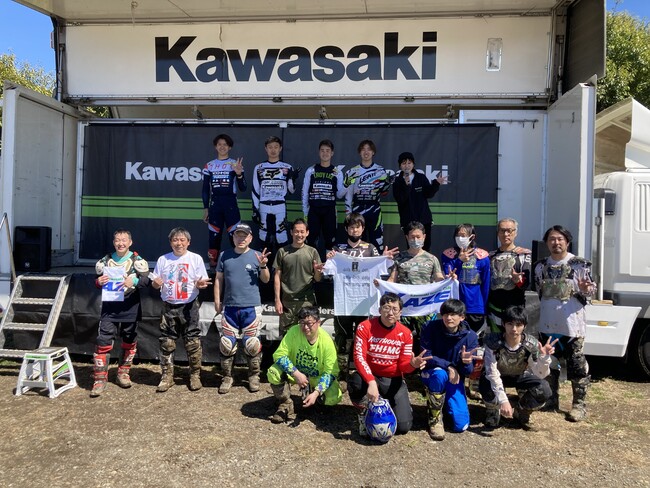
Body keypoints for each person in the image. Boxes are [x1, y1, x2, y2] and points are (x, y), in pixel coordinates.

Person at [324, 212, 397, 386]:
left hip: (365, 303)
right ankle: (341, 375)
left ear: (363, 229)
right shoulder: (338, 250)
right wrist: (328, 260)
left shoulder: (371, 248)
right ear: (346, 229)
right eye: (351, 227)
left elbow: (384, 271)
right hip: (344, 303)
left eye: (358, 227)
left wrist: (384, 259)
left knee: (363, 339)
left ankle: (362, 372)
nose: (354, 230)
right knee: (342, 338)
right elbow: (327, 273)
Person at [534, 225, 596, 422]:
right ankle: (551, 400)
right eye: (552, 239)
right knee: (550, 364)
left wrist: (585, 289)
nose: (556, 243)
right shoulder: (540, 266)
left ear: (567, 241)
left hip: (572, 326)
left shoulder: (580, 265)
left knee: (577, 366)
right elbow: (539, 291)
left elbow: (590, 292)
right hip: (547, 325)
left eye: (560, 239)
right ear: (546, 243)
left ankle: (579, 405)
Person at [348, 292, 430, 437]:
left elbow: (404, 366)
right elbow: (359, 357)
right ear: (379, 310)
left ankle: (386, 403)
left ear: (400, 313)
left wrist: (413, 364)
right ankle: (364, 413)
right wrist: (371, 381)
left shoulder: (405, 333)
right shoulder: (365, 327)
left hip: (392, 379)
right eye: (386, 308)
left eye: (394, 309)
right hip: (370, 376)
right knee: (356, 382)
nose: (390, 313)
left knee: (403, 427)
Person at [152, 227, 212, 392]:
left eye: (182, 240)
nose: (179, 243)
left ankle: (195, 375)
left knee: (192, 342)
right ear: (170, 242)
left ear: (188, 242)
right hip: (168, 306)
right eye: (175, 240)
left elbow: (202, 281)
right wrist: (155, 283)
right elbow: (155, 283)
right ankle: (167, 376)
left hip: (189, 305)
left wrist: (200, 284)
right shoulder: (163, 260)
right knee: (167, 342)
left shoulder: (195, 258)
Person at [91, 229, 150, 397]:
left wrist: (135, 280)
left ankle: (123, 373)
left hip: (130, 307)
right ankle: (99, 379)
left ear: (130, 242)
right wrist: (98, 282)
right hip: (109, 307)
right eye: (117, 240)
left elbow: (147, 280)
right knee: (103, 340)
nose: (120, 243)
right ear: (113, 242)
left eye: (124, 240)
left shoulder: (137, 260)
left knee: (129, 339)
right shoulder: (105, 260)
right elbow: (96, 280)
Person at [213, 223, 271, 394]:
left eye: (244, 236)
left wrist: (263, 265)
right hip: (230, 307)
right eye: (238, 235)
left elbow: (266, 280)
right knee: (226, 344)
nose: (241, 239)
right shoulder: (224, 255)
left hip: (251, 307)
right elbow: (218, 279)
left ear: (250, 238)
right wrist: (217, 300)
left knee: (252, 344)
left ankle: (253, 376)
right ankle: (227, 377)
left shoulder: (257, 255)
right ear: (233, 237)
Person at [480, 305, 556, 430]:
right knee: (485, 381)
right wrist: (503, 401)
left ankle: (521, 410)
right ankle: (493, 410)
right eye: (510, 324)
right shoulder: (493, 343)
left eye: (519, 325)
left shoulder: (531, 344)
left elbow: (540, 374)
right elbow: (492, 373)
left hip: (520, 375)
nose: (514, 329)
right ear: (503, 324)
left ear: (524, 326)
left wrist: (544, 357)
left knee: (544, 388)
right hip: (499, 376)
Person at [267, 306, 343, 423]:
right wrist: (295, 373)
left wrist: (317, 392)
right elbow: (279, 355)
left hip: (316, 377)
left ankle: (316, 400)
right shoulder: (293, 331)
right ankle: (285, 403)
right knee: (273, 372)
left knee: (333, 396)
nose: (305, 327)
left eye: (309, 323)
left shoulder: (327, 341)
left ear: (318, 323)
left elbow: (331, 372)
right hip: (296, 373)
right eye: (302, 323)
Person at [418, 299, 479, 440]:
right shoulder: (430, 327)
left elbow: (468, 371)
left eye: (453, 314)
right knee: (440, 374)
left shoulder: (470, 336)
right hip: (432, 372)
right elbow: (426, 355)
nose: (448, 318)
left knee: (461, 425)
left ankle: (445, 403)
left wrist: (466, 362)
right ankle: (435, 418)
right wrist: (448, 366)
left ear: (462, 317)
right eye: (445, 314)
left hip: (454, 378)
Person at [387, 220, 445, 336]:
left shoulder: (432, 258)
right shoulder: (399, 258)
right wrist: (379, 284)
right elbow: (392, 279)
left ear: (424, 237)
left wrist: (449, 280)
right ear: (407, 237)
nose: (415, 240)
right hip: (405, 305)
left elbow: (439, 278)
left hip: (425, 306)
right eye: (412, 237)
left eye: (418, 237)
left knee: (426, 336)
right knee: (402, 336)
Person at [202, 133, 246, 271]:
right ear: (215, 146)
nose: (222, 147)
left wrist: (239, 174)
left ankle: (238, 265)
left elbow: (243, 188)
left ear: (230, 147)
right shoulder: (209, 165)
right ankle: (213, 267)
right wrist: (206, 208)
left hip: (230, 204)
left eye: (225, 144)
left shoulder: (235, 164)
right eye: (219, 144)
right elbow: (205, 189)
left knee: (235, 235)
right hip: (215, 205)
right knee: (214, 236)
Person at [273, 218, 323, 336]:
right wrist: (277, 300)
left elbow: (318, 279)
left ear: (307, 233)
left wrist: (317, 271)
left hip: (307, 302)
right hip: (287, 303)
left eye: (302, 232)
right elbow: (277, 277)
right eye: (296, 231)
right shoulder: (282, 252)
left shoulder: (312, 252)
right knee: (288, 336)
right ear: (291, 232)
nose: (299, 235)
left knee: (308, 336)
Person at [342, 139, 393, 252]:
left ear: (373, 152)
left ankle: (378, 262)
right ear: (359, 152)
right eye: (363, 149)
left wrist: (386, 185)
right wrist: (348, 213)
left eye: (369, 149)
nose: (366, 152)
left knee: (377, 241)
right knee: (358, 242)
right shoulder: (352, 171)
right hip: (358, 209)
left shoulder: (380, 171)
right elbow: (348, 195)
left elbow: (384, 193)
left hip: (375, 209)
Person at [252, 136, 299, 256]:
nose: (273, 150)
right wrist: (255, 209)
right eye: (270, 147)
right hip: (264, 205)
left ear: (280, 148)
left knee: (281, 233)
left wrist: (292, 179)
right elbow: (255, 189)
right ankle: (264, 264)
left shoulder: (287, 167)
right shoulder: (259, 167)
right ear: (266, 149)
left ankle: (282, 262)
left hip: (280, 205)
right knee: (263, 233)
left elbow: (291, 190)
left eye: (276, 147)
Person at [392, 151, 447, 252]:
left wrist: (436, 183)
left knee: (426, 247)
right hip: (408, 221)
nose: (407, 166)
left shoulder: (421, 177)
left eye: (409, 163)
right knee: (412, 248)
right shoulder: (397, 181)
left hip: (424, 220)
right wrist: (406, 186)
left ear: (413, 164)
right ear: (400, 166)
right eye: (404, 163)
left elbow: (429, 194)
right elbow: (400, 200)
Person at [441, 223, 490, 333]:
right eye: (457, 235)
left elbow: (486, 284)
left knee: (474, 337)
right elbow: (449, 275)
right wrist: (459, 261)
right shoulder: (448, 255)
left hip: (475, 306)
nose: (460, 238)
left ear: (472, 237)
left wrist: (484, 307)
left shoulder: (482, 256)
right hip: (455, 305)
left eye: (463, 235)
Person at [301, 139, 346, 258]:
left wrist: (346, 186)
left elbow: (339, 195)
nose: (325, 153)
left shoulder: (337, 172)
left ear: (332, 153)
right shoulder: (311, 170)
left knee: (330, 242)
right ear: (319, 152)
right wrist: (305, 212)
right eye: (322, 150)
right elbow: (305, 191)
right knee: (311, 240)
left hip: (329, 211)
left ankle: (328, 268)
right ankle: (312, 265)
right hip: (313, 210)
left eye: (327, 151)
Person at [487, 218, 531, 333]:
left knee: (514, 342)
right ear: (498, 233)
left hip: (515, 311)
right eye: (502, 230)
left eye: (509, 230)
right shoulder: (490, 256)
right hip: (494, 309)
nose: (506, 234)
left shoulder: (524, 254)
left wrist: (518, 281)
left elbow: (527, 284)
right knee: (496, 341)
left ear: (515, 233)